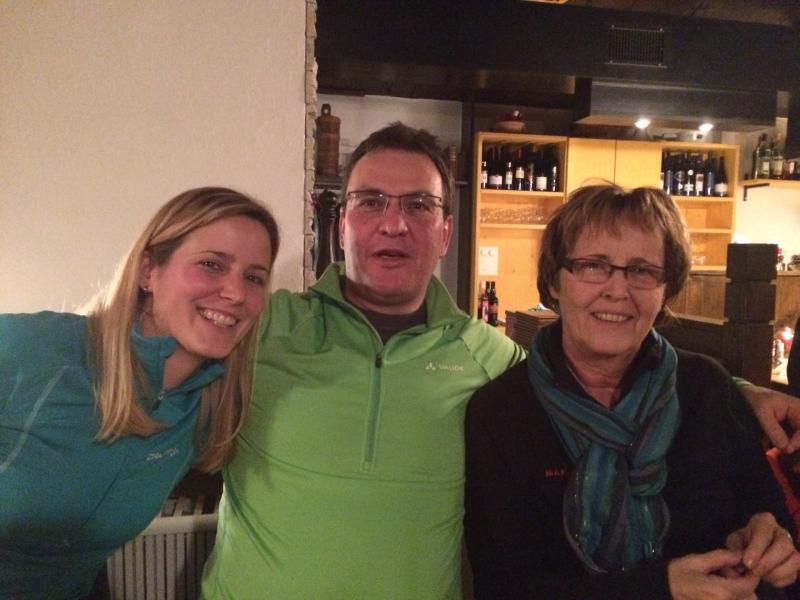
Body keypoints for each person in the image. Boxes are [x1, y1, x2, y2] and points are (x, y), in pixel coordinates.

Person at [201, 123, 525, 599]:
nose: (394, 224)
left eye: (419, 205)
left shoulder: (494, 361)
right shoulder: (262, 326)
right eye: (371, 201)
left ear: (445, 234)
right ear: (342, 226)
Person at [464, 183, 800, 599]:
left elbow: (768, 518)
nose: (617, 290)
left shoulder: (709, 390)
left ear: (665, 290)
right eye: (593, 265)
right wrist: (662, 589)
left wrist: (769, 543)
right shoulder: (501, 413)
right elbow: (504, 589)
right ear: (553, 282)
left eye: (642, 271)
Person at [0, 187, 280, 599]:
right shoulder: (29, 348)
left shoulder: (205, 409)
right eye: (211, 265)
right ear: (148, 271)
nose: (236, 293)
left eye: (254, 278)